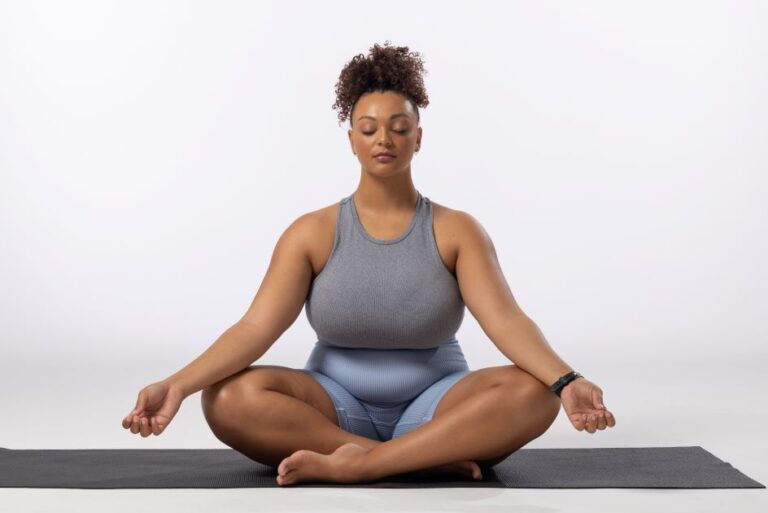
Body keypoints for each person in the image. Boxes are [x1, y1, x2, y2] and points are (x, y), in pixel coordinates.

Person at [121, 41, 616, 486]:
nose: (384, 139)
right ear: (352, 140)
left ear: (418, 138)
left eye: (399, 128)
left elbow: (506, 321)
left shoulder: (457, 230)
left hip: (439, 406)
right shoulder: (312, 232)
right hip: (332, 411)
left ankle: (365, 464)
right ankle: (413, 460)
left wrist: (567, 381)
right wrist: (179, 385)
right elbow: (255, 327)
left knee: (533, 393)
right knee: (227, 398)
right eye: (369, 128)